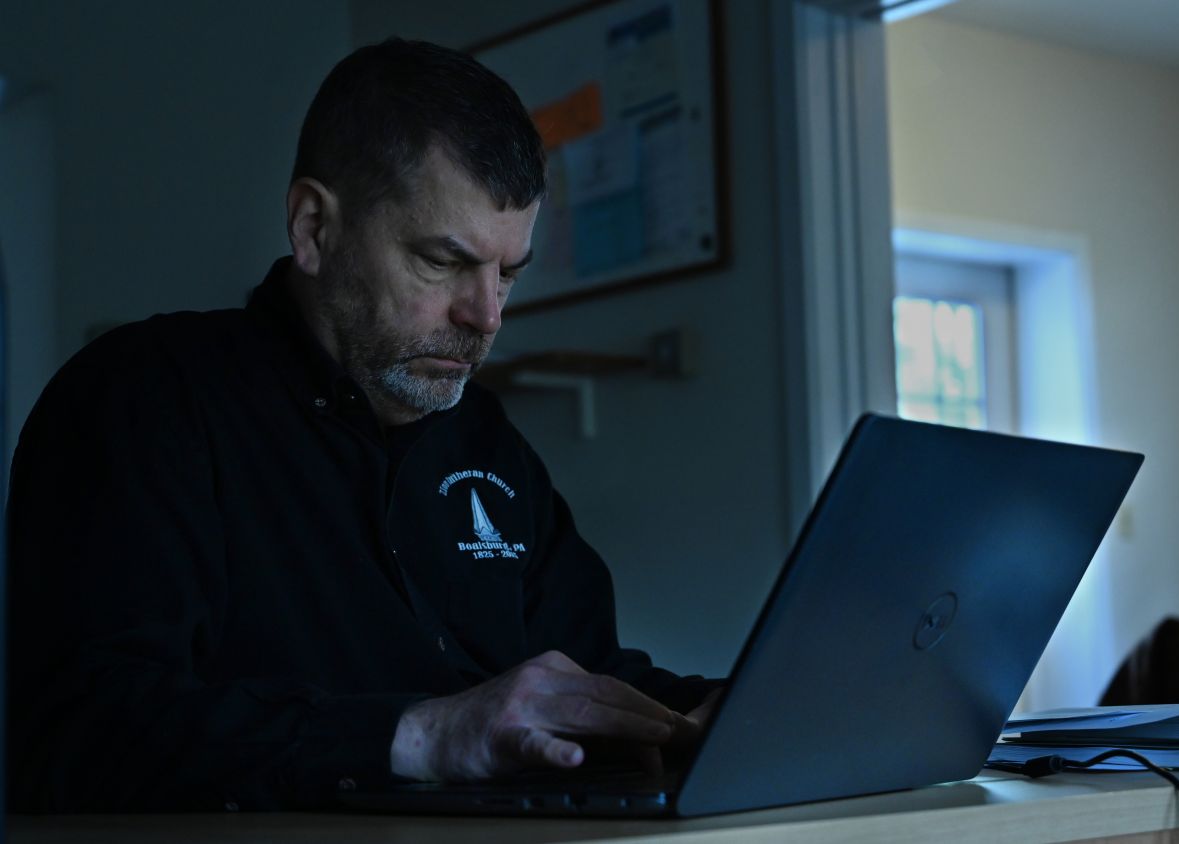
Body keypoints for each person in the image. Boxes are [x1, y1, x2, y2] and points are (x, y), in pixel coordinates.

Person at [6, 38, 718, 812]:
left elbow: (587, 676)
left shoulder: (487, 443)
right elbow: (80, 726)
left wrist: (723, 714)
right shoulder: (147, 401)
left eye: (508, 273)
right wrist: (423, 736)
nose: (485, 318)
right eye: (443, 262)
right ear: (313, 228)